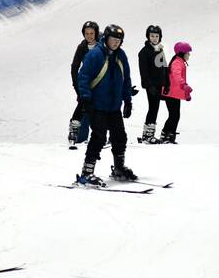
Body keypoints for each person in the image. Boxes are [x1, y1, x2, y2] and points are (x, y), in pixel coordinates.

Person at [75, 24, 137, 185]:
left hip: (113, 106)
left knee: (120, 137)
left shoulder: (121, 56)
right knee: (99, 137)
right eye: (113, 39)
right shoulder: (95, 55)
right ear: (106, 38)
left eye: (119, 40)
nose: (115, 43)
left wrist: (128, 100)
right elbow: (83, 77)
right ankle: (86, 173)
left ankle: (119, 168)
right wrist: (86, 98)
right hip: (97, 105)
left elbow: (126, 79)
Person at [69, 21, 100, 147]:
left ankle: (101, 137)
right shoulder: (82, 47)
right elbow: (74, 67)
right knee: (83, 106)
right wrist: (77, 86)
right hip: (85, 82)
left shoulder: (102, 46)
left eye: (92, 33)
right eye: (86, 33)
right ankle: (76, 135)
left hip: (100, 82)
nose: (89, 36)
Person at [137, 24, 169, 144]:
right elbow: (143, 71)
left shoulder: (160, 49)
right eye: (152, 36)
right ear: (148, 37)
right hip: (152, 85)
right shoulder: (144, 52)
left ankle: (148, 134)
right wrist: (148, 85)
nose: (154, 38)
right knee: (153, 107)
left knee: (155, 107)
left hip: (160, 84)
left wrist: (167, 83)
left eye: (156, 36)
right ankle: (148, 135)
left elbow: (164, 67)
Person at [159, 42, 192, 143]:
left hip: (173, 93)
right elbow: (176, 75)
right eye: (188, 53)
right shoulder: (177, 62)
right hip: (171, 93)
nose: (189, 55)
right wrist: (183, 84)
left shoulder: (179, 61)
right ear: (182, 53)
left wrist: (186, 94)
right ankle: (168, 135)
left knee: (174, 115)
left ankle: (167, 134)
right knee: (174, 115)